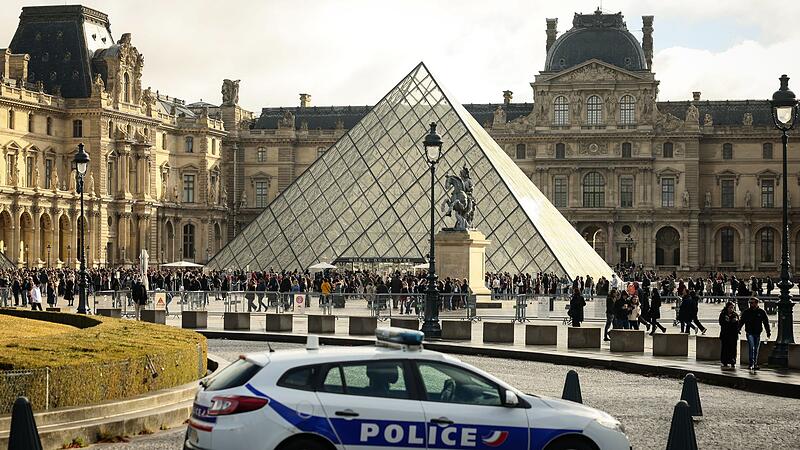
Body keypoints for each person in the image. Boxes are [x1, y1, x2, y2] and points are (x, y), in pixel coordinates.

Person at [739, 297, 771, 372]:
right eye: (750, 303)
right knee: (751, 347)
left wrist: (768, 332)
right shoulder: (746, 312)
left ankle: (755, 363)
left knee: (756, 349)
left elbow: (766, 323)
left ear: (757, 303)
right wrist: (739, 329)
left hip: (757, 332)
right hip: (749, 332)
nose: (751, 304)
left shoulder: (761, 312)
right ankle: (751, 363)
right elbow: (742, 321)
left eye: (752, 303)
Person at [718, 301, 740, 368]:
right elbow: (721, 323)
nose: (731, 309)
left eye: (732, 308)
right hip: (725, 334)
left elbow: (738, 324)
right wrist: (726, 321)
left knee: (733, 348)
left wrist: (735, 321)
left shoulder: (735, 315)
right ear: (727, 307)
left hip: (733, 335)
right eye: (730, 307)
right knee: (725, 348)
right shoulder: (723, 314)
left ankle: (732, 361)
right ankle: (724, 361)